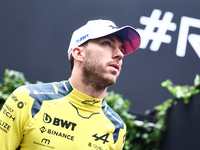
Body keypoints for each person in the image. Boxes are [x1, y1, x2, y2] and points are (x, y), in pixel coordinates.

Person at [0, 19, 141, 150]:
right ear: (79, 53)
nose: (120, 55)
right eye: (107, 43)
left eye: (122, 49)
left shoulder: (117, 127)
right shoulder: (28, 99)